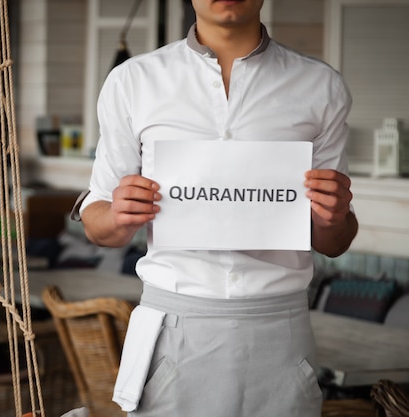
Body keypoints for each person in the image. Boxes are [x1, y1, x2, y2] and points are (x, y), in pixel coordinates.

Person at [72, 0, 358, 416]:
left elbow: (335, 240)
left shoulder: (321, 87)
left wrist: (333, 217)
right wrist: (116, 215)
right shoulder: (133, 81)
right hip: (173, 330)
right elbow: (97, 220)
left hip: (282, 335)